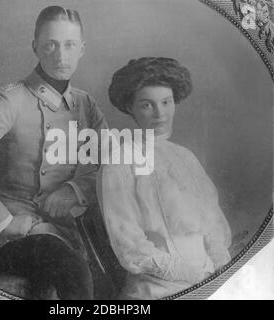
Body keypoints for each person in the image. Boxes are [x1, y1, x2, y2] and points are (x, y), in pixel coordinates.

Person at [0, 6, 108, 299]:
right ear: (35, 47)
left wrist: (75, 189)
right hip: (13, 234)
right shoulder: (12, 99)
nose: (60, 55)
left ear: (82, 49)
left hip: (67, 230)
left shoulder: (86, 104)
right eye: (50, 44)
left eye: (69, 45)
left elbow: (113, 163)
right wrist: (3, 221)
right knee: (69, 266)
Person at [97, 57, 232, 299]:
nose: (160, 114)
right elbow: (131, 248)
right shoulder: (119, 161)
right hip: (156, 291)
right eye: (147, 105)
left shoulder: (185, 156)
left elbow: (213, 224)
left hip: (209, 281)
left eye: (166, 102)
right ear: (130, 107)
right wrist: (196, 277)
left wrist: (220, 268)